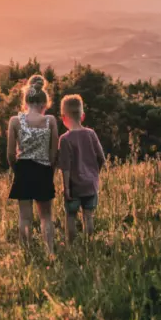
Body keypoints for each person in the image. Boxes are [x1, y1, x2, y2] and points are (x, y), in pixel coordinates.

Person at [7, 74, 59, 255]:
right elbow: (54, 153)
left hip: (23, 170)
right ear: (45, 103)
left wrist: (17, 171)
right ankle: (50, 251)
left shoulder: (14, 121)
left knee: (25, 217)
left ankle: (26, 252)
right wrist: (50, 171)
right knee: (46, 216)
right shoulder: (50, 121)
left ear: (25, 101)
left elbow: (10, 155)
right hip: (44, 169)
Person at [57, 94, 106, 243]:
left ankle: (71, 246)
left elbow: (65, 167)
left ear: (63, 117)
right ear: (82, 116)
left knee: (70, 216)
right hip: (90, 184)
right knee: (88, 215)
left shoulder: (65, 139)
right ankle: (88, 244)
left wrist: (66, 188)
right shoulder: (91, 134)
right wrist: (94, 174)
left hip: (73, 185)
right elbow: (102, 158)